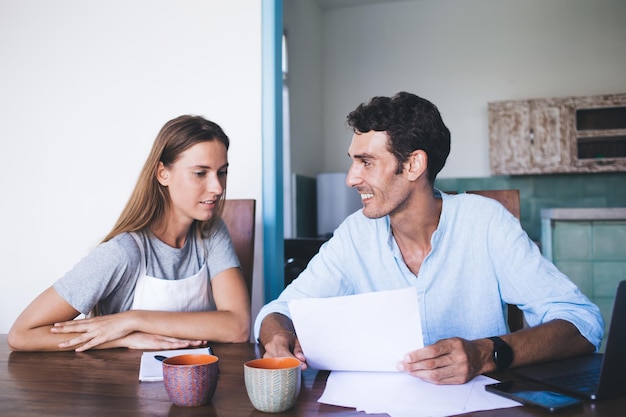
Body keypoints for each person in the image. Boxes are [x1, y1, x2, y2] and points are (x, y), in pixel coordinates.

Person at [255, 92, 604, 385]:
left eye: (366, 162)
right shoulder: (354, 235)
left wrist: (485, 353)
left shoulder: (484, 223)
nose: (351, 179)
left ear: (413, 165)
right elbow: (278, 312)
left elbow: (581, 322)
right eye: (353, 162)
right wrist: (277, 338)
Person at [8, 115, 251, 352]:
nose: (217, 187)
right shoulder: (123, 252)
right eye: (200, 173)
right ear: (162, 173)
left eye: (222, 172)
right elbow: (22, 334)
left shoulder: (212, 231)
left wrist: (133, 320)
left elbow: (237, 327)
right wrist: (123, 338)